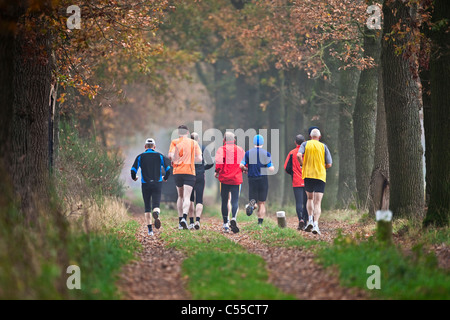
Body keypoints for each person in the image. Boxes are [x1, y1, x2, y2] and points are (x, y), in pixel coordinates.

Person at [131, 138, 171, 236]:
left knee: (147, 206)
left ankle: (150, 231)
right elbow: (168, 169)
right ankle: (156, 212)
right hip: (157, 183)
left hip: (145, 184)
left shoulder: (140, 157)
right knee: (156, 204)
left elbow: (133, 170)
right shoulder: (160, 156)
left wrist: (134, 177)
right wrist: (165, 177)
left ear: (145, 147)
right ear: (154, 147)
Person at [297, 128, 332, 235]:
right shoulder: (323, 146)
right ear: (319, 137)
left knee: (310, 198)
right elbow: (329, 164)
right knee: (318, 202)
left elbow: (298, 155)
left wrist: (303, 164)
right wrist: (323, 167)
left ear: (310, 136)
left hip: (308, 175)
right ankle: (316, 224)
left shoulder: (305, 144)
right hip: (320, 176)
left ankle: (310, 220)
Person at [168, 125, 202, 230]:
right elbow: (200, 159)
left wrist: (175, 160)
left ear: (178, 133)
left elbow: (170, 156)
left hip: (177, 171)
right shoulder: (194, 143)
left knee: (180, 196)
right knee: (187, 197)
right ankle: (184, 218)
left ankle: (180, 222)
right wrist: (191, 159)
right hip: (189, 172)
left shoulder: (174, 142)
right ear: (187, 133)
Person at [240, 134, 274, 226]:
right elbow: (271, 169)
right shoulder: (266, 153)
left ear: (254, 142)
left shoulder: (248, 153)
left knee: (253, 200)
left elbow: (241, 165)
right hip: (263, 179)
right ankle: (260, 223)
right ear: (262, 143)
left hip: (252, 179)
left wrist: (246, 169)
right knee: (262, 202)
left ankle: (252, 205)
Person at [215, 131, 245, 233]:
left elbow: (219, 163)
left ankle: (225, 224)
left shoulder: (221, 149)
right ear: (234, 140)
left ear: (224, 140)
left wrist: (217, 172)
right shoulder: (240, 150)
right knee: (235, 200)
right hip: (236, 179)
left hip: (224, 179)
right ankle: (234, 219)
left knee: (224, 200)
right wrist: (245, 169)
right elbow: (244, 163)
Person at [188, 132, 214, 230]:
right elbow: (211, 163)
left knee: (190, 199)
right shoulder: (203, 148)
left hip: (189, 175)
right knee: (199, 199)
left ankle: (191, 222)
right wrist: (203, 168)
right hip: (200, 175)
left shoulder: (187, 148)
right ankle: (198, 220)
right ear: (198, 139)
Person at [284, 134, 308, 230]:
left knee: (299, 202)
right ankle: (306, 222)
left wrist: (293, 174)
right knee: (307, 202)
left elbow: (286, 168)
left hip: (296, 181)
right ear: (305, 141)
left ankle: (301, 219)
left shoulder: (292, 153)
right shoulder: (308, 152)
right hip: (308, 181)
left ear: (295, 142)